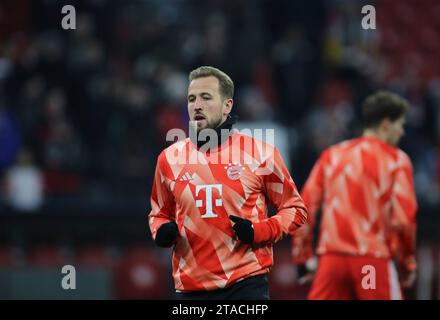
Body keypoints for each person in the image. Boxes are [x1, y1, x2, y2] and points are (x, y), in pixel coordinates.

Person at [148, 66, 307, 300]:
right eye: (191, 99)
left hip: (245, 285)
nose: (197, 105)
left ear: (227, 106)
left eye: (206, 97)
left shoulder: (260, 154)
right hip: (191, 290)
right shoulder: (169, 159)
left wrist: (259, 231)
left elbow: (296, 209)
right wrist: (161, 231)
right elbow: (158, 214)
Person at [291, 91, 418, 300]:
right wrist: (407, 264)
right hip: (371, 262)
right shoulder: (396, 160)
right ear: (386, 125)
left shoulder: (332, 155)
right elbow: (404, 220)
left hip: (331, 263)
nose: (402, 132)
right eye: (400, 125)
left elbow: (304, 206)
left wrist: (302, 258)